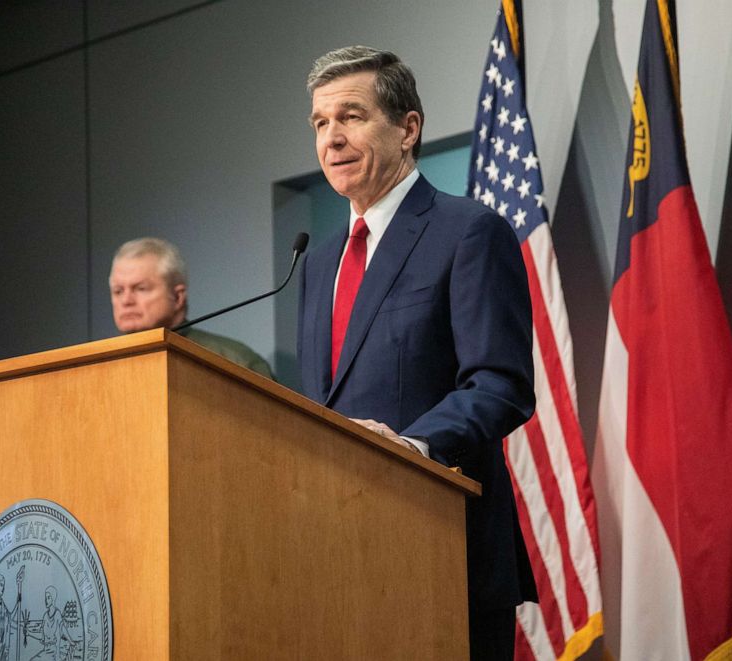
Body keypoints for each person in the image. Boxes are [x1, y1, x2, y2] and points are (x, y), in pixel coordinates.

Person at [298, 45, 536, 659]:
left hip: (440, 546)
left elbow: (500, 383)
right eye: (321, 124)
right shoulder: (318, 262)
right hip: (334, 556)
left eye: (351, 116)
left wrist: (412, 447)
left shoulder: (468, 231)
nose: (332, 139)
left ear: (408, 128)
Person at [109, 237, 273, 379]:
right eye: (118, 291)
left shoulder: (235, 361)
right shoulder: (100, 363)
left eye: (141, 288)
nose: (126, 300)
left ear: (178, 297)